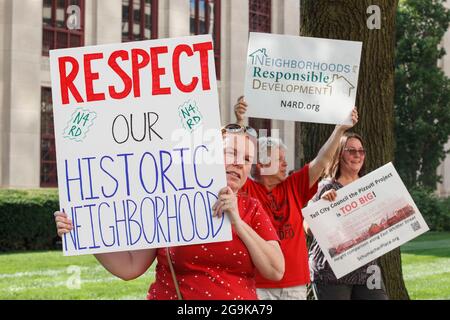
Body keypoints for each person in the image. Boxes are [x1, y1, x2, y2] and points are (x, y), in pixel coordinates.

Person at [54, 124, 284, 300]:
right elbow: (129, 267)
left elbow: (275, 270)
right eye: (231, 153)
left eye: (246, 159)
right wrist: (81, 232)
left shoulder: (251, 208)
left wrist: (238, 223)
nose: (239, 164)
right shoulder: (169, 200)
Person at [234, 96, 358, 300]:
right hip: (258, 285)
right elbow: (237, 159)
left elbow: (322, 160)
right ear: (261, 164)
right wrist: (240, 122)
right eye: (279, 159)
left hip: (295, 285)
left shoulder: (293, 186)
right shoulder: (246, 189)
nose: (285, 164)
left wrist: (339, 129)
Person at [306, 132, 388, 300]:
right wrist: (321, 206)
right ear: (339, 153)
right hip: (331, 272)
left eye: (361, 151)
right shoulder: (326, 187)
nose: (357, 155)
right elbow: (307, 228)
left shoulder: (370, 184)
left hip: (367, 270)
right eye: (351, 150)